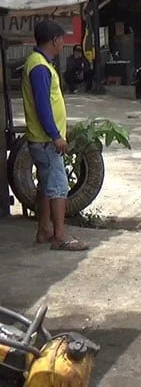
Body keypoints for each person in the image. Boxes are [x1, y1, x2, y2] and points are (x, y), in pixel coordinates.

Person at [22, 20, 89, 251]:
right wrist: (55, 136)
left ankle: (44, 230)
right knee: (58, 187)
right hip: (46, 140)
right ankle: (59, 236)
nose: (63, 43)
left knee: (45, 185)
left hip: (42, 138)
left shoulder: (39, 63)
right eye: (61, 39)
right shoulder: (40, 67)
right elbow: (42, 106)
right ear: (54, 40)